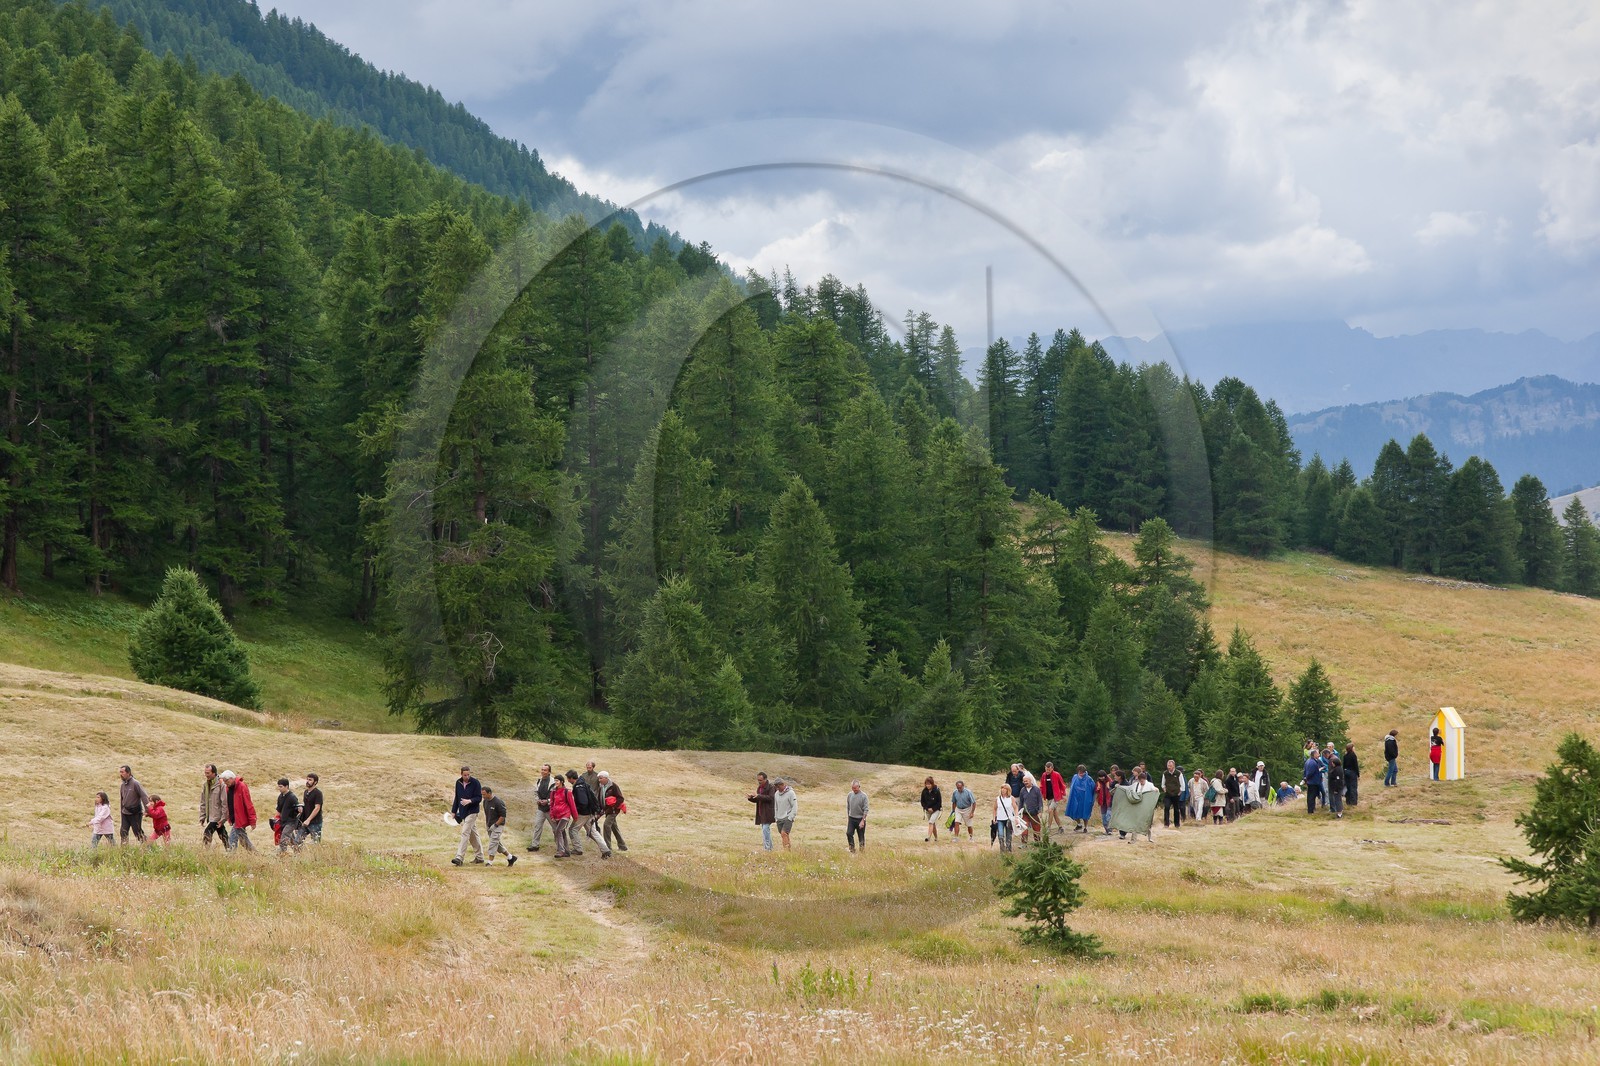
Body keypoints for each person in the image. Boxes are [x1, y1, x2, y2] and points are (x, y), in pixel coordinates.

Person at [449, 765, 485, 867]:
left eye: (468, 774)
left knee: (465, 832)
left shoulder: (475, 783)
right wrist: (454, 811)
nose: (467, 777)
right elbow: (457, 797)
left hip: (473, 811)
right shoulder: (458, 783)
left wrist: (469, 801)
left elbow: (479, 798)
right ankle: (480, 857)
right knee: (473, 835)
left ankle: (459, 858)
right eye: (465, 775)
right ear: (461, 774)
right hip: (464, 811)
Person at [1111, 769, 1160, 842]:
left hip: (1146, 808)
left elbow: (1154, 791)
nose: (1141, 782)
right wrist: (1119, 787)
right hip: (1138, 806)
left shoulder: (1149, 785)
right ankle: (1133, 839)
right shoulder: (1136, 784)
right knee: (1135, 822)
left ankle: (1149, 838)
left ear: (1145, 779)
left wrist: (1156, 790)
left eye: (1142, 781)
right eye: (1140, 781)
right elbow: (1128, 788)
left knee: (1147, 823)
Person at [570, 769, 608, 857]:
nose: (568, 780)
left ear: (572, 778)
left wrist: (577, 811)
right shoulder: (583, 784)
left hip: (584, 813)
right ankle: (606, 850)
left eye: (568, 779)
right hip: (590, 812)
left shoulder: (579, 787)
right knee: (592, 832)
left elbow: (583, 802)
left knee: (572, 829)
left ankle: (578, 849)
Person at [482, 786, 516, 867]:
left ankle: (490, 862)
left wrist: (496, 825)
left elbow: (503, 816)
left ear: (489, 793)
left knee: (493, 843)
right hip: (489, 825)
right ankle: (510, 857)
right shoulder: (485, 801)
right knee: (497, 844)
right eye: (482, 794)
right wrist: (488, 825)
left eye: (484, 794)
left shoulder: (498, 802)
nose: (483, 796)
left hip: (498, 825)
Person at [222, 770, 255, 852]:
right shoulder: (227, 788)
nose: (225, 783)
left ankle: (230, 857)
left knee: (232, 839)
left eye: (226, 781)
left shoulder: (242, 786)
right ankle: (256, 855)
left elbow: (248, 804)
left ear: (231, 778)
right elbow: (229, 804)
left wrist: (252, 820)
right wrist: (229, 818)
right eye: (224, 781)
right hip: (235, 819)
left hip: (241, 819)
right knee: (243, 840)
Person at [117, 765, 150, 846]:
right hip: (125, 813)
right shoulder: (122, 785)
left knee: (138, 833)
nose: (121, 774)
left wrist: (148, 810)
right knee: (123, 832)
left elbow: (144, 796)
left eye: (122, 772)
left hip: (135, 813)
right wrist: (122, 811)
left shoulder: (135, 783)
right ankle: (124, 852)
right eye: (120, 772)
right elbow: (122, 799)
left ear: (128, 773)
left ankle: (149, 847)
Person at [548, 773, 577, 858]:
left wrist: (575, 817)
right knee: (562, 832)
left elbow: (572, 804)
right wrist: (552, 815)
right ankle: (567, 851)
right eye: (555, 780)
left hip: (565, 815)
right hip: (556, 815)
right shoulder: (553, 792)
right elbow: (552, 804)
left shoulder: (567, 792)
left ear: (562, 781)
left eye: (557, 780)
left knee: (558, 831)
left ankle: (560, 851)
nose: (556, 782)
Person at [527, 764, 555, 852]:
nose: (543, 772)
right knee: (537, 826)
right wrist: (538, 800)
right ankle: (535, 845)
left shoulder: (553, 782)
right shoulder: (539, 780)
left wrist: (548, 801)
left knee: (555, 828)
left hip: (550, 809)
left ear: (549, 772)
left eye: (545, 770)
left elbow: (556, 796)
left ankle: (560, 846)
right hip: (540, 809)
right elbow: (535, 792)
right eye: (542, 770)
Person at [200, 764, 229, 849]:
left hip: (218, 816)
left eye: (208, 773)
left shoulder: (221, 784)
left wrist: (223, 818)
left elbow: (224, 802)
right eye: (205, 773)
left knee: (207, 833)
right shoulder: (206, 785)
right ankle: (230, 849)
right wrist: (202, 816)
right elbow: (203, 802)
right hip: (212, 816)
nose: (206, 775)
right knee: (222, 834)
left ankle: (206, 853)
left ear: (214, 773)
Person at [598, 771, 627, 853]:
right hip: (607, 810)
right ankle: (622, 846)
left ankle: (607, 847)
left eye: (601, 778)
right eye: (599, 778)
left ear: (606, 778)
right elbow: (600, 798)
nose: (599, 780)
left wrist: (614, 806)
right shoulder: (601, 787)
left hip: (613, 810)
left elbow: (620, 798)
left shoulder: (613, 786)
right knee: (614, 827)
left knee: (606, 825)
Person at [749, 771, 776, 851]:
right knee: (765, 831)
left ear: (765, 779)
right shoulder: (759, 788)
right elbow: (758, 800)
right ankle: (770, 848)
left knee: (765, 829)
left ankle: (767, 849)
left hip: (768, 812)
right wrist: (751, 798)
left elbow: (771, 798)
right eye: (758, 780)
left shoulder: (771, 787)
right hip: (761, 812)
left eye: (760, 780)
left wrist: (758, 796)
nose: (759, 782)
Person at [274, 778, 302, 854]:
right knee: (291, 840)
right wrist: (275, 820)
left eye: (281, 786)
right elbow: (279, 810)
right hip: (283, 821)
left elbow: (298, 809)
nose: (279, 788)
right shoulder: (280, 796)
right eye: (278, 786)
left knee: (283, 838)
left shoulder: (292, 797)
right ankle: (299, 853)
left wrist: (299, 809)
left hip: (291, 822)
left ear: (286, 786)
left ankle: (282, 855)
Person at [1039, 762, 1067, 837]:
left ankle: (1048, 827)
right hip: (1048, 797)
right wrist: (1041, 794)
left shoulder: (1056, 775)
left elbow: (1062, 785)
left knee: (1050, 810)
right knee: (1054, 813)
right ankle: (1060, 827)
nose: (1047, 771)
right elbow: (1041, 785)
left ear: (1052, 768)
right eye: (1046, 769)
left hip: (1056, 797)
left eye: (1049, 769)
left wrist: (1063, 795)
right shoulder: (1044, 775)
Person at [1065, 765, 1095, 833]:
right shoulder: (1075, 777)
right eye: (1079, 772)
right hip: (1076, 799)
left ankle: (1085, 827)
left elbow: (1093, 789)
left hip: (1085, 800)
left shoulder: (1089, 779)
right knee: (1074, 812)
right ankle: (1079, 824)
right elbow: (1072, 787)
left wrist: (1092, 799)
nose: (1081, 774)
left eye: (1082, 773)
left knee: (1085, 814)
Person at [1017, 775, 1043, 845]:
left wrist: (1040, 811)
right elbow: (1021, 802)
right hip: (1025, 813)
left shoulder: (1036, 790)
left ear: (1030, 781)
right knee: (1024, 828)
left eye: (1026, 781)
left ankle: (1037, 843)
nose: (1025, 782)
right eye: (1024, 781)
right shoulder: (1022, 790)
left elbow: (1040, 801)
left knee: (1037, 828)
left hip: (1034, 813)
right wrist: (1019, 813)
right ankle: (1024, 844)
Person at [772, 778, 797, 850]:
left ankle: (786, 851)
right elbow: (776, 806)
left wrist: (791, 817)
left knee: (784, 833)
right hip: (779, 818)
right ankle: (788, 851)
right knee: (784, 835)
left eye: (778, 786)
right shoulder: (776, 794)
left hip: (787, 817)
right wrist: (776, 817)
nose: (777, 788)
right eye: (776, 787)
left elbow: (794, 806)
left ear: (783, 785)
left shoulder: (791, 793)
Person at [1161, 759, 1185, 829]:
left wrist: (1180, 791)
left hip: (1176, 794)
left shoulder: (1178, 773)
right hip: (1168, 794)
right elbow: (1163, 784)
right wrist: (1164, 789)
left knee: (1176, 809)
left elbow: (1182, 783)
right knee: (1167, 807)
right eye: (1168, 766)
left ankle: (1177, 824)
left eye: (1170, 766)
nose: (1169, 767)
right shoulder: (1165, 773)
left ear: (1173, 766)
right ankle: (1166, 824)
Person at [846, 781, 869, 852]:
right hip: (852, 819)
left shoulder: (864, 796)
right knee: (849, 833)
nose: (854, 789)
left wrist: (863, 820)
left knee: (861, 837)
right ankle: (852, 850)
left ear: (859, 787)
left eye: (855, 788)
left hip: (860, 819)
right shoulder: (849, 795)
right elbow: (848, 807)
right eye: (852, 788)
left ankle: (862, 852)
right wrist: (849, 817)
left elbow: (866, 809)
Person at [300, 773, 324, 843]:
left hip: (315, 822)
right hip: (305, 822)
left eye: (310, 780)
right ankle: (299, 854)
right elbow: (306, 805)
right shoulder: (306, 792)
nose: (307, 781)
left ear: (315, 782)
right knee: (298, 840)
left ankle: (316, 854)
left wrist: (309, 820)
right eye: (307, 779)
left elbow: (317, 808)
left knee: (315, 843)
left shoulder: (318, 793)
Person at [993, 784, 1017, 852]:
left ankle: (1009, 849)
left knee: (1008, 835)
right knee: (1000, 835)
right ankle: (1002, 849)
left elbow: (1015, 808)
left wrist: (1016, 817)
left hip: (1008, 819)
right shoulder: (998, 798)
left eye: (1005, 789)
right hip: (1000, 819)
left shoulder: (1011, 798)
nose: (1003, 790)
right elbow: (994, 808)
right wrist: (994, 817)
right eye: (1002, 788)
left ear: (1008, 790)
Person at [920, 776, 942, 842]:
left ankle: (928, 837)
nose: (928, 785)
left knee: (931, 822)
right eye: (926, 784)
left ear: (932, 784)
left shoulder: (937, 791)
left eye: (929, 784)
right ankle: (936, 838)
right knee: (932, 824)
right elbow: (922, 801)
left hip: (936, 810)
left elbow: (939, 802)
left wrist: (933, 809)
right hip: (927, 810)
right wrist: (927, 808)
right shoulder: (924, 791)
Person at [1303, 750, 1325, 815]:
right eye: (1317, 753)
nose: (1318, 755)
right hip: (1313, 782)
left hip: (1312, 782)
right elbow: (1310, 773)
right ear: (1314, 754)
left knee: (1311, 796)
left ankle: (1311, 809)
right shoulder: (1312, 762)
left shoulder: (1309, 761)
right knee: (1311, 797)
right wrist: (1307, 779)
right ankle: (1310, 810)